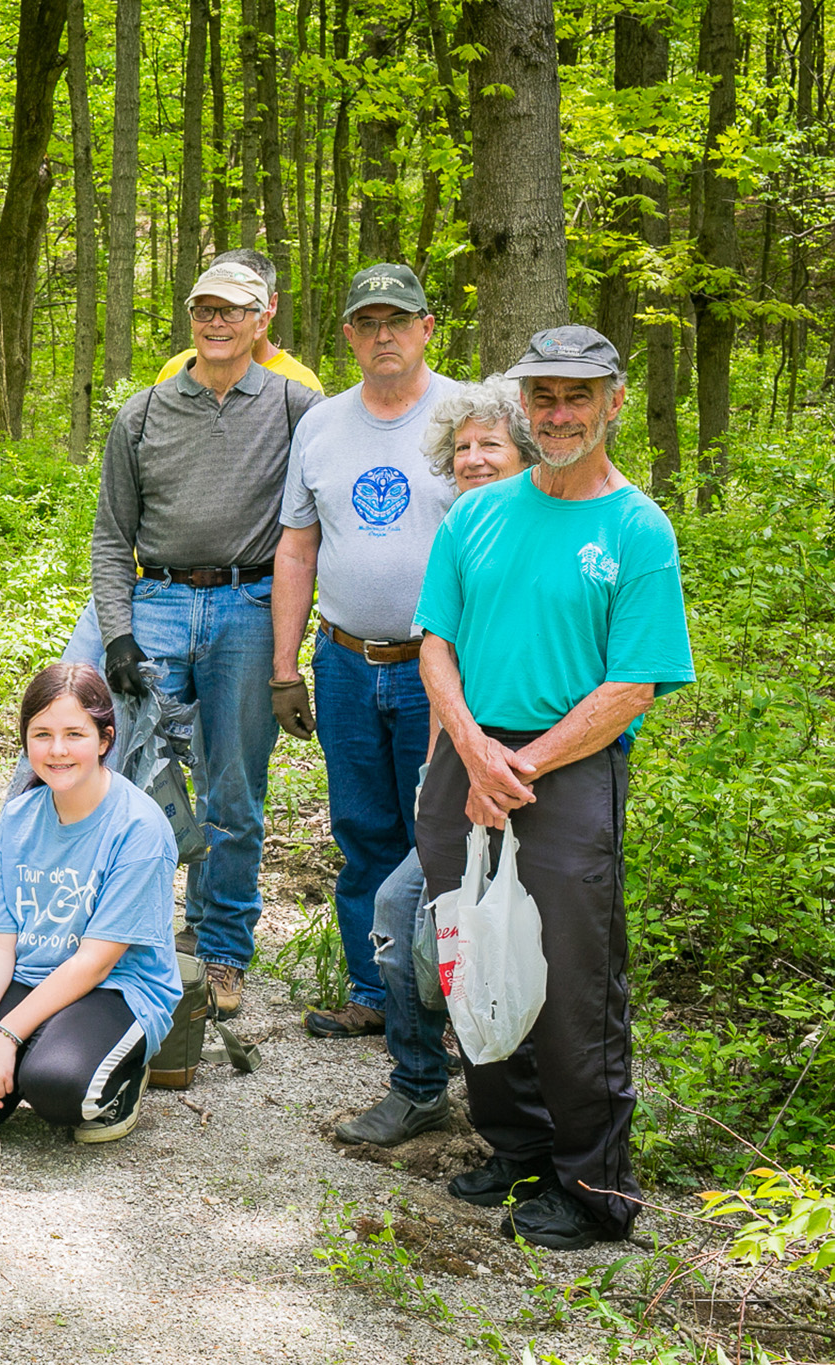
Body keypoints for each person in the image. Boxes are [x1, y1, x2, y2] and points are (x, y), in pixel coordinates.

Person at [414, 326, 694, 1250]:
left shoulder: (637, 529)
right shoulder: (478, 513)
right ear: (523, 405)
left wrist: (520, 767)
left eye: (579, 396)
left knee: (574, 977)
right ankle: (517, 1145)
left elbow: (633, 683)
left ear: (615, 400)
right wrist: (471, 747)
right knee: (474, 955)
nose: (559, 414)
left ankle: (593, 1184)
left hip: (566, 771)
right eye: (544, 397)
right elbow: (437, 642)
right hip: (469, 752)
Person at [87, 260, 324, 1019]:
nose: (215, 323)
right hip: (155, 598)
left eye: (232, 311)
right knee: (131, 777)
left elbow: (319, 524)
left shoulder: (296, 406)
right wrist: (118, 634)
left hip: (248, 604)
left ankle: (221, 949)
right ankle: (131, 935)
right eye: (203, 310)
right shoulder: (144, 413)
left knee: (234, 788)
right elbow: (109, 535)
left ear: (264, 319)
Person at [334, 380, 541, 1149]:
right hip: (459, 768)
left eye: (493, 445)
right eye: (463, 448)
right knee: (401, 907)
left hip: (533, 774)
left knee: (511, 937)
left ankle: (527, 1122)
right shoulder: (458, 535)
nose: (476, 460)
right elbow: (441, 667)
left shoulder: (544, 535)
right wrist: (434, 779)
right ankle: (421, 1086)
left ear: (526, 453)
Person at [270, 264, 457, 1041]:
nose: (384, 334)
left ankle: (442, 1001)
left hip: (436, 665)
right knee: (361, 829)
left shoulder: (468, 415)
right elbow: (295, 547)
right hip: (344, 658)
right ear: (348, 334)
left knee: (437, 834)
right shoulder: (321, 424)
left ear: (426, 328)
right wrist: (286, 668)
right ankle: (371, 991)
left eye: (399, 320)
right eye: (368, 322)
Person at [0, 663, 181, 1147]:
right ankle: (36, 1047)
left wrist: (7, 1035)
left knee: (55, 1087)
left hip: (115, 989)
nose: (57, 750)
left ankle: (125, 1072)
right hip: (31, 978)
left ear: (104, 739)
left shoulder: (140, 828)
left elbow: (95, 963)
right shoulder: (18, 817)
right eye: (42, 734)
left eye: (74, 734)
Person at [155, 248, 324, 393]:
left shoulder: (300, 383)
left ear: (270, 305)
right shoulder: (179, 368)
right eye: (207, 309)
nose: (217, 322)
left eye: (233, 309)